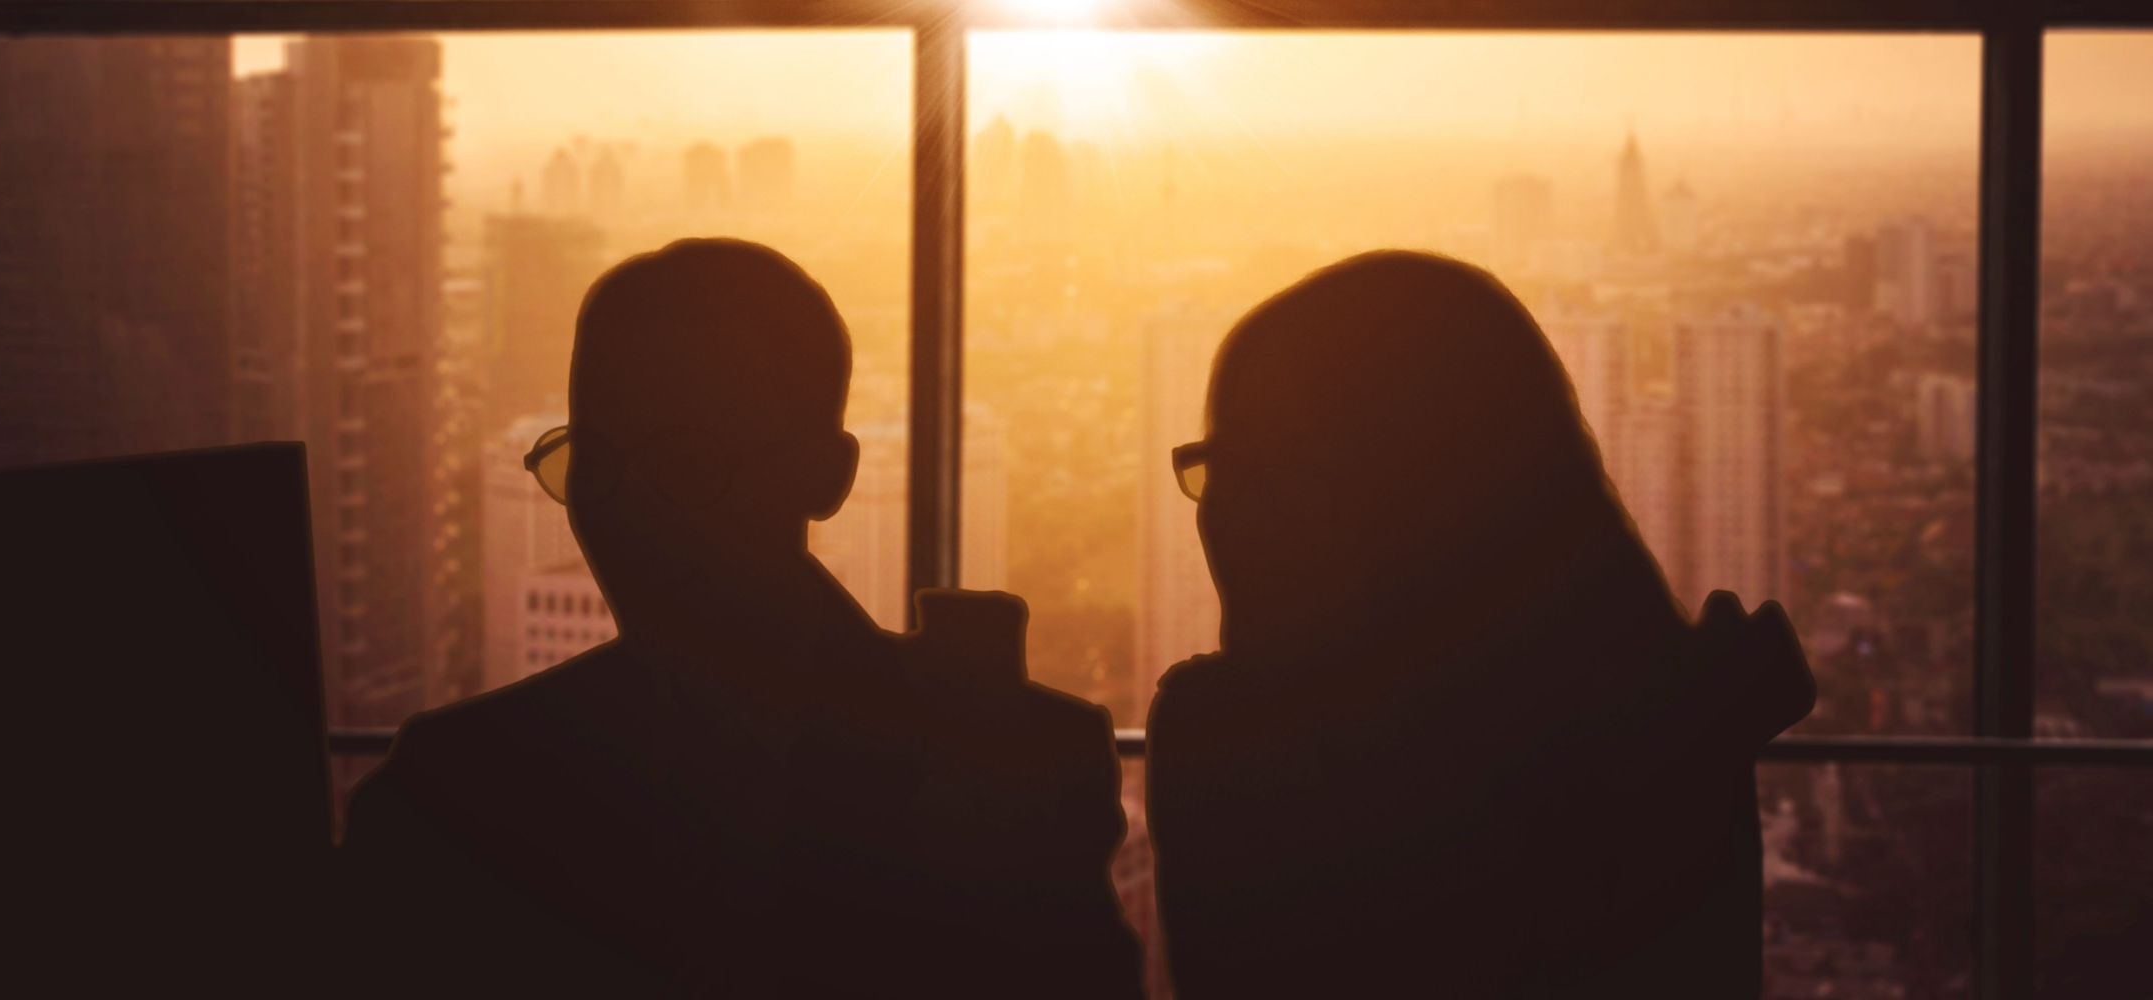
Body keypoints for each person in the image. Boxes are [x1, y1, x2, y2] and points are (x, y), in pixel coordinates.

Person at [335, 238, 1142, 999]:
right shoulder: (452, 792)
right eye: (597, 461)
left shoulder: (1019, 770)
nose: (626, 514)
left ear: (825, 476)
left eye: (685, 464)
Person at [1146, 251, 1817, 998]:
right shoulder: (1672, 725)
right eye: (1223, 464)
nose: (1231, 513)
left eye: (1297, 471)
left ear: (1431, 495)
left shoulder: (1232, 747)